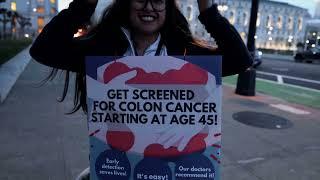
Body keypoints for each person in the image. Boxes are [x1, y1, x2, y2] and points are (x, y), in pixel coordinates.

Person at [30, 0, 252, 179]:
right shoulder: (101, 49)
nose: (148, 6)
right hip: (115, 167)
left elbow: (240, 59)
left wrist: (208, 11)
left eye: (157, 0)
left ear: (167, 6)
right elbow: (44, 49)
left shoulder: (185, 53)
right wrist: (84, 5)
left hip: (173, 166)